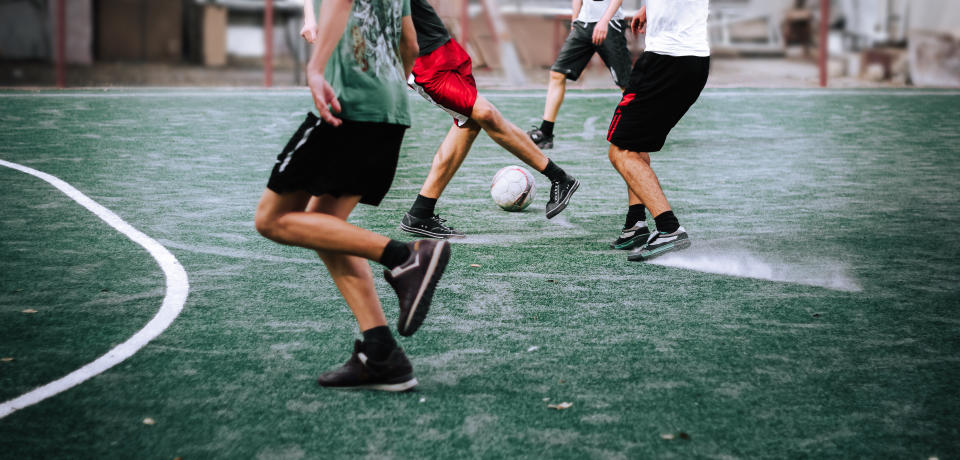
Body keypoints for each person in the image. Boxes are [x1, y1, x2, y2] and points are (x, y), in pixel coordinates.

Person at [256, 0, 448, 392]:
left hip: (350, 105)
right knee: (325, 229)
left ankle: (406, 257)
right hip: (389, 107)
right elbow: (409, 42)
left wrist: (314, 68)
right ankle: (381, 354)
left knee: (271, 220)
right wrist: (386, 82)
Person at [396, 0, 581, 238]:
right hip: (422, 62)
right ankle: (558, 177)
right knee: (485, 114)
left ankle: (420, 213)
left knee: (468, 123)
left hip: (445, 47)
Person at [605, 0, 710, 260]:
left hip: (667, 61)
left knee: (621, 152)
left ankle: (668, 228)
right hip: (692, 60)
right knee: (634, 145)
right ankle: (635, 224)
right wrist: (648, 9)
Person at [526, 0, 633, 150]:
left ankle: (640, 129)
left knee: (626, 85)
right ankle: (545, 132)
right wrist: (575, 20)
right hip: (583, 24)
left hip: (610, 24)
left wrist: (604, 20)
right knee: (557, 74)